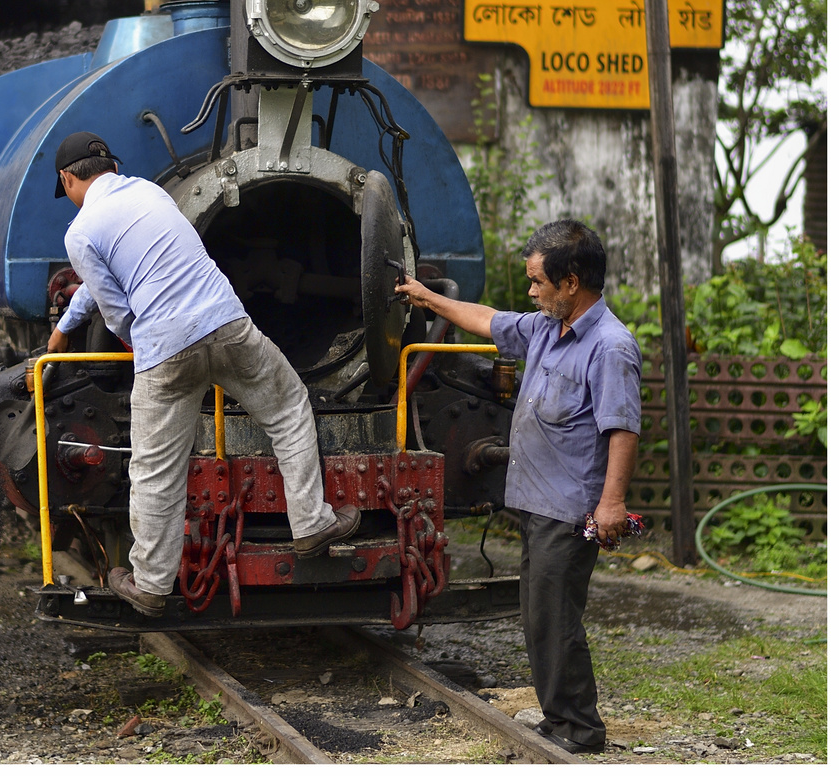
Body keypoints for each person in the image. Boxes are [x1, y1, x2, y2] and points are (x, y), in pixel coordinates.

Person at [48, 131, 359, 617]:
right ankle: (311, 524)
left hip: (165, 349)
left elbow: (110, 304)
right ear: (110, 166)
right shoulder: (151, 194)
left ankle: (151, 584)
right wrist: (71, 323)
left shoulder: (80, 233)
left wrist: (139, 335)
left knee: (154, 466)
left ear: (68, 178)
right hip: (226, 322)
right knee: (287, 407)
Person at [395, 219, 640, 755]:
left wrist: (612, 502)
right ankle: (558, 722)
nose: (531, 292)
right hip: (535, 500)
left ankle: (579, 728)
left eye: (537, 281)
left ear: (570, 281)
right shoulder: (546, 329)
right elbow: (484, 318)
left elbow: (622, 429)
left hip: (570, 507)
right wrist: (426, 297)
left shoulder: (610, 347)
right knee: (538, 616)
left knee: (555, 618)